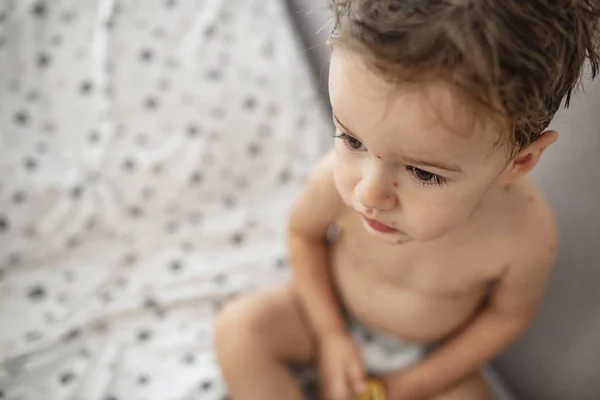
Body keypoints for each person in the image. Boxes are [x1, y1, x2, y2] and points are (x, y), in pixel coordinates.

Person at [215, 1, 600, 399]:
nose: (368, 194)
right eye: (352, 140)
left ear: (518, 162)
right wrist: (330, 335)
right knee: (241, 330)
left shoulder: (524, 235)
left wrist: (417, 383)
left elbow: (507, 315)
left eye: (423, 173)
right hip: (331, 316)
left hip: (430, 356)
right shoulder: (333, 183)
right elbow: (304, 236)